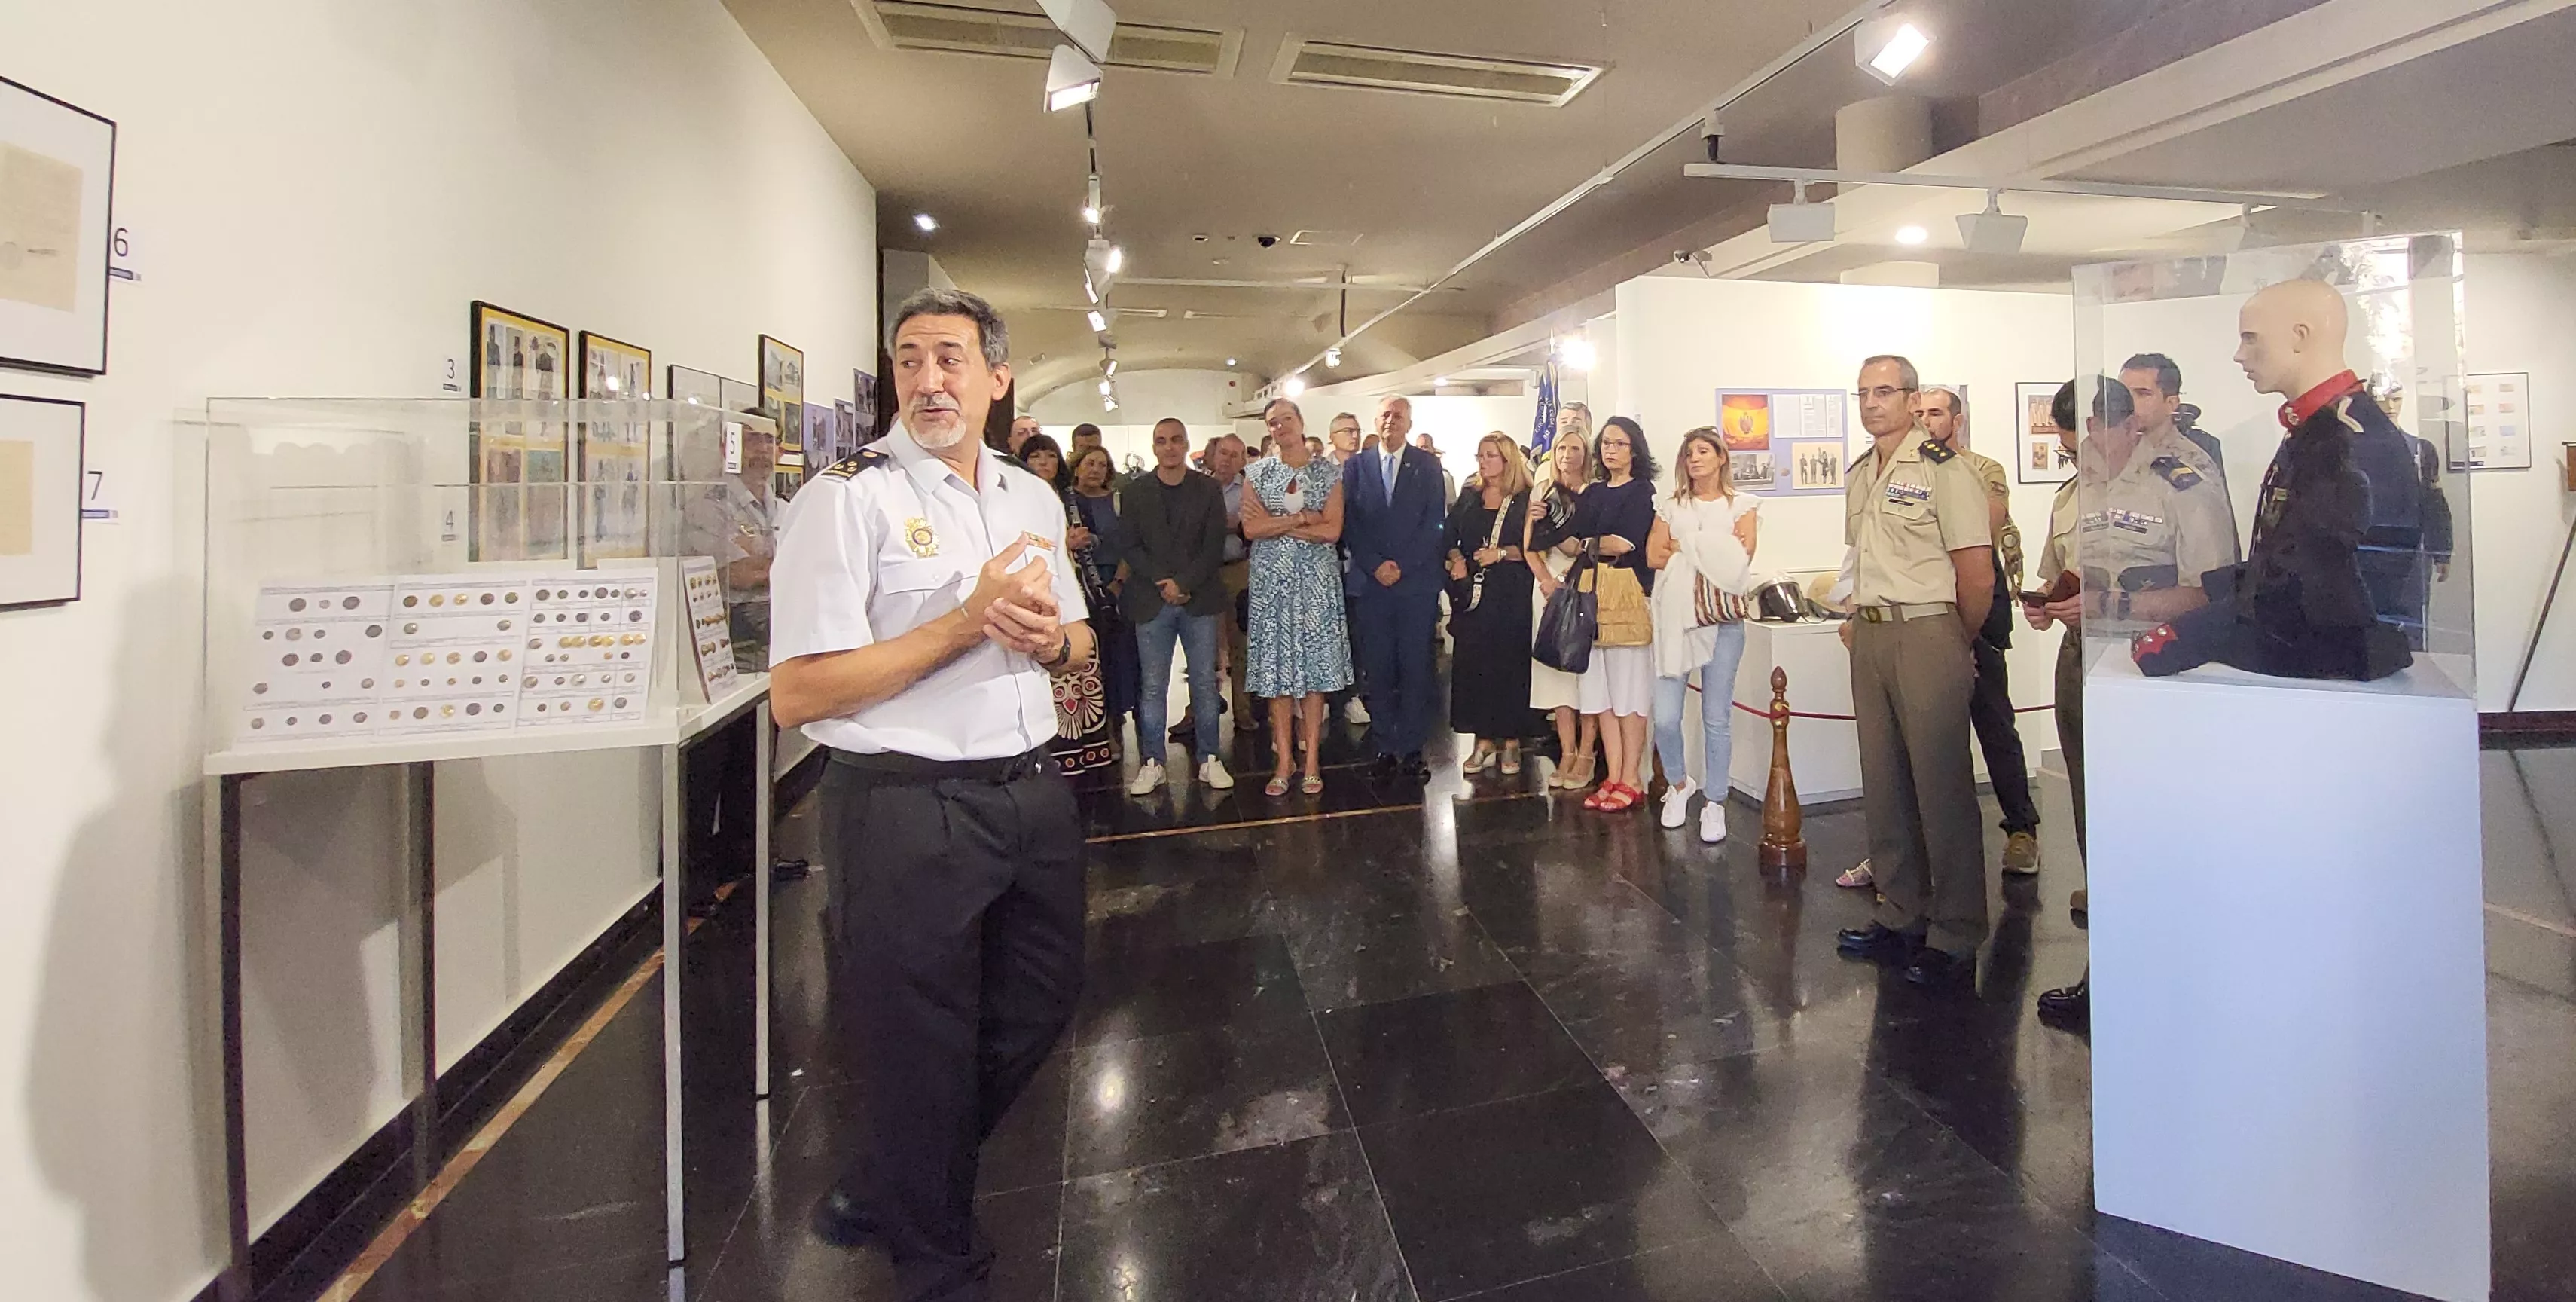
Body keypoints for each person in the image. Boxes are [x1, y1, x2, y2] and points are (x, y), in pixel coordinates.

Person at [769, 286, 1094, 1302]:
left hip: (1030, 790)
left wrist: (1058, 642)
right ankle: (938, 1265)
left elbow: (1078, 638)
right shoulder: (848, 496)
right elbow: (799, 692)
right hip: (905, 803)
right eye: (910, 360)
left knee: (1038, 1005)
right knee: (923, 1044)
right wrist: (962, 623)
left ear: (999, 379)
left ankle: (886, 1181)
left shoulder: (1031, 497)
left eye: (951, 359)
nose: (929, 381)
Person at [1832, 353, 1996, 994]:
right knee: (1885, 780)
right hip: (1871, 631)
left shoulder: (1943, 471)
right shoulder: (1861, 472)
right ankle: (1901, 913)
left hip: (1929, 628)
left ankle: (1955, 929)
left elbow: (1976, 574)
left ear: (1911, 398)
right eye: (1863, 393)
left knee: (1941, 785)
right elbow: (1860, 557)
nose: (1873, 403)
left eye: (1885, 392)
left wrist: (1955, 640)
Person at [1918, 385, 2043, 878]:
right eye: (1920, 413)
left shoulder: (1983, 468)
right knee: (1925, 737)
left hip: (1977, 612)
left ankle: (2021, 830)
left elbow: (1984, 523)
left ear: (1957, 419)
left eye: (1936, 413)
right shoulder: (1902, 472)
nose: (1927, 422)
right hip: (1925, 612)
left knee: (1994, 725)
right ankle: (1927, 843)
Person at [1646, 426, 1760, 842]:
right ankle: (1678, 784)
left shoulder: (1741, 504)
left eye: (1703, 451)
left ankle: (1715, 801)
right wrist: (1705, 545)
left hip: (1722, 620)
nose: (1695, 459)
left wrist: (1684, 545)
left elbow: (1739, 559)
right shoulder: (1670, 505)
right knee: (1666, 717)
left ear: (1720, 457)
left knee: (1716, 716)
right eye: (1689, 452)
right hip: (1674, 619)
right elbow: (1653, 554)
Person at [1242, 399, 1353, 795]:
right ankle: (1283, 761)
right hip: (1272, 584)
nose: (1280, 427)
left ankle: (1311, 762)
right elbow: (1252, 528)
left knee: (1315, 673)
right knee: (1277, 676)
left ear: (1301, 423)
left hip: (1317, 583)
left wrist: (1281, 526)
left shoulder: (1329, 472)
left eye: (1286, 419)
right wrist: (1302, 518)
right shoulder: (1256, 472)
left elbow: (1333, 530)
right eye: (1273, 423)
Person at [1119, 418, 1235, 796]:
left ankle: (1209, 759)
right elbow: (1131, 546)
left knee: (1204, 683)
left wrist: (1184, 584)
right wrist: (1163, 582)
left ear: (1187, 445)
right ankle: (1153, 762)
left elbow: (1213, 543)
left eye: (1175, 440)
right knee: (1153, 686)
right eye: (1161, 441)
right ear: (1154, 448)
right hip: (1151, 600)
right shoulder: (1136, 493)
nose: (1169, 447)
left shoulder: (1207, 489)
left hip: (1198, 598)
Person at [1341, 396, 1450, 783]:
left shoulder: (1428, 466)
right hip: (1371, 587)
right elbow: (1350, 522)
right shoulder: (1355, 467)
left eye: (1398, 415)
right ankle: (1385, 745)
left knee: (1416, 668)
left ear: (1408, 422)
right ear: (1376, 421)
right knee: (1380, 669)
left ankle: (1413, 748)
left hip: (1415, 584)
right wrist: (1375, 565)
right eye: (1385, 415)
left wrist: (1402, 566)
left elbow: (1435, 522)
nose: (1391, 421)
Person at [2027, 380, 2090, 1028]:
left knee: (2120, 799)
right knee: (2082, 793)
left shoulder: (2162, 486)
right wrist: (2046, 600)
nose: (2070, 450)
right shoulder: (2071, 493)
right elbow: (2057, 567)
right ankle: (2103, 899)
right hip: (2077, 652)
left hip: (2133, 661)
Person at [1563, 417, 1659, 811]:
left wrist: (1589, 544)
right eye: (1605, 443)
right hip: (1591, 592)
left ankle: (1633, 776)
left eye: (1618, 443)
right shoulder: (1593, 493)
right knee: (1599, 693)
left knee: (1629, 691)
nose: (1610, 450)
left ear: (1634, 449)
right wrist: (1592, 545)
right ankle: (1614, 774)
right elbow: (1570, 542)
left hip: (1626, 593)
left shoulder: (1642, 492)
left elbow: (1626, 544)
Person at [1442, 434, 1535, 775]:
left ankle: (1511, 742)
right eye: (1480, 455)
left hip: (1510, 592)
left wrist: (1502, 554)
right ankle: (1482, 741)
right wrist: (1456, 560)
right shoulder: (1470, 495)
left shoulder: (1524, 499)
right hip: (1474, 595)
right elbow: (1448, 535)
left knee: (1509, 664)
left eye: (1490, 455)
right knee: (1474, 664)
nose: (1483, 461)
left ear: (1507, 460)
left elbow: (1534, 546)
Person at [1527, 408, 1598, 790]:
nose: (1567, 455)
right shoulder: (1542, 491)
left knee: (1587, 677)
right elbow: (1528, 546)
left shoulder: (1595, 493)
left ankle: (1587, 752)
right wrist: (1545, 580)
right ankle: (1567, 751)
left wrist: (1575, 547)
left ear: (1586, 453)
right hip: (1549, 588)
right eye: (1561, 448)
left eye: (1574, 448)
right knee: (1557, 676)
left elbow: (1592, 545)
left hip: (1585, 585)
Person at [1065, 445, 1140, 744]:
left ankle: (1125, 724)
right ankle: (1097, 730)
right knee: (1092, 657)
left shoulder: (1119, 502)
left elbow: (1130, 544)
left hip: (1119, 581)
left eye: (1101, 465)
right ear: (1077, 467)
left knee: (1121, 654)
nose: (1095, 469)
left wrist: (1118, 582)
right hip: (1080, 584)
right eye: (1089, 463)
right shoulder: (1065, 502)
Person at [1202, 433, 1259, 732]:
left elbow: (1249, 527)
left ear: (1242, 460)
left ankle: (1244, 712)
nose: (1227, 459)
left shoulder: (1251, 490)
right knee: (1203, 646)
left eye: (1235, 455)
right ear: (1213, 456)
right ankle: (1198, 712)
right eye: (1223, 453)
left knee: (1241, 644)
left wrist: (1232, 525)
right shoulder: (1197, 488)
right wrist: (1229, 524)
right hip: (1204, 573)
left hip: (1239, 569)